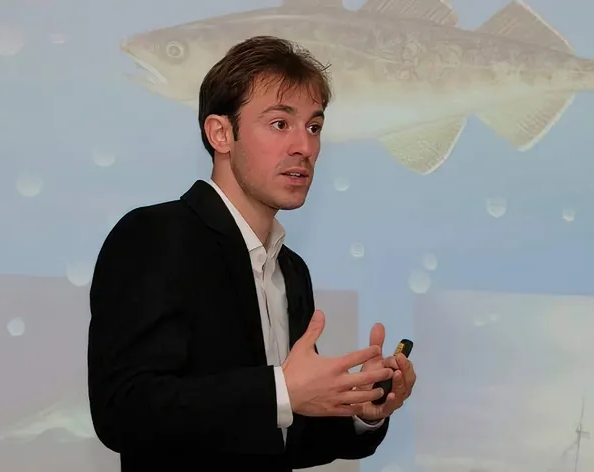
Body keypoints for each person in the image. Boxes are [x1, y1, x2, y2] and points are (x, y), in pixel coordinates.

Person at [87, 35, 416, 471]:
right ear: (221, 133)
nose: (305, 146)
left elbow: (285, 441)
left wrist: (360, 410)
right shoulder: (155, 235)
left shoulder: (291, 270)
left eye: (314, 127)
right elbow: (123, 409)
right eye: (280, 123)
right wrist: (281, 390)